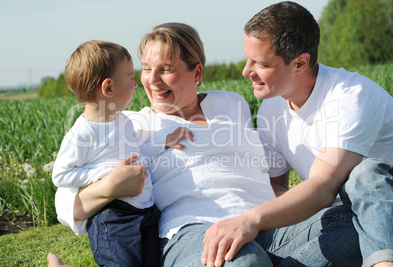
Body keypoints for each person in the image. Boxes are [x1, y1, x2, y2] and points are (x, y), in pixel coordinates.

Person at [49, 22, 365, 267]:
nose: (152, 80)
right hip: (194, 231)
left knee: (355, 228)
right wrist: (109, 188)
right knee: (244, 260)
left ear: (197, 71)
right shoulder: (132, 124)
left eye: (166, 70)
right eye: (146, 69)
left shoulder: (232, 104)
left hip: (266, 224)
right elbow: (65, 201)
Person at [202, 2, 393, 267]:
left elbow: (322, 188)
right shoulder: (271, 109)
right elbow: (276, 188)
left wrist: (250, 219)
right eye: (247, 59)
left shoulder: (351, 98)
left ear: (300, 63)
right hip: (337, 217)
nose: (246, 71)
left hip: (387, 210)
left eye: (260, 63)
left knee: (364, 175)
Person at [52, 40, 192, 267]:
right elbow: (61, 175)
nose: (136, 85)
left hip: (145, 210)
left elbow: (137, 152)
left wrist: (163, 141)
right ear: (108, 88)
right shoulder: (83, 133)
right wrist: (107, 176)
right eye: (130, 79)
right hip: (113, 216)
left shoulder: (122, 121)